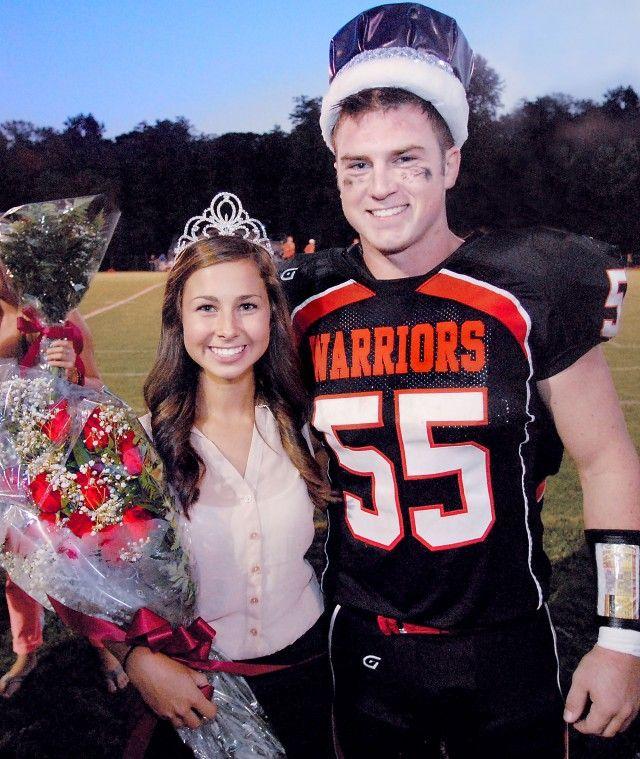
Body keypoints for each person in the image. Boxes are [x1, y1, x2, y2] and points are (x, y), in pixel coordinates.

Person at [280, 4, 640, 757]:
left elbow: (608, 459)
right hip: (366, 646)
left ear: (451, 163)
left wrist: (620, 635)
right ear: (336, 171)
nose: (381, 186)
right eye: (359, 164)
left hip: (503, 645)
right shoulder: (301, 300)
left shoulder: (526, 285)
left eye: (408, 158)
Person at [111, 230, 333, 758]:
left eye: (247, 305)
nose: (228, 329)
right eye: (207, 307)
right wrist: (135, 660)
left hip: (306, 679)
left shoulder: (310, 427)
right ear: (179, 320)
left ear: (271, 316)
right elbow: (97, 581)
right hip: (191, 691)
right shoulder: (141, 447)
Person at [0, 270, 129, 697]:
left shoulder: (57, 314)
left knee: (77, 559)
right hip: (6, 466)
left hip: (57, 460)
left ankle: (104, 643)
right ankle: (27, 648)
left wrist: (70, 373)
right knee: (17, 565)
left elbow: (96, 388)